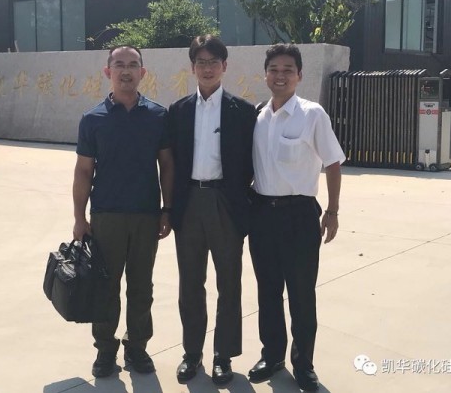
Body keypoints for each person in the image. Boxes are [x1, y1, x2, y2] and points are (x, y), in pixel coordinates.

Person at [247, 43, 345, 391]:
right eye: (274, 69)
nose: (280, 76)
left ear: (299, 75)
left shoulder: (312, 114)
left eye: (288, 70)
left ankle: (303, 364)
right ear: (265, 74)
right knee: (268, 291)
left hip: (299, 216)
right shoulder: (258, 115)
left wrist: (332, 211)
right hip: (262, 215)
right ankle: (272, 355)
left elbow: (333, 162)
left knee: (302, 294)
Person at [72, 45, 174, 378]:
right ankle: (105, 350)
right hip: (107, 216)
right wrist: (79, 218)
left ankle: (137, 347)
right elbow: (83, 171)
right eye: (119, 65)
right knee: (106, 286)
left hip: (146, 215)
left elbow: (167, 165)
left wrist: (167, 209)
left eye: (133, 65)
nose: (126, 71)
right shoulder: (93, 119)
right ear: (108, 72)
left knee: (142, 286)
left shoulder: (158, 116)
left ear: (143, 73)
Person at [168, 35, 256, 386]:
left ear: (224, 66)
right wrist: (168, 207)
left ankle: (223, 355)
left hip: (225, 203)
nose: (207, 68)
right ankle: (192, 353)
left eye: (213, 62)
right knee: (190, 283)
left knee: (229, 282)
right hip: (189, 201)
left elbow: (252, 162)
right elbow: (170, 163)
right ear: (192, 67)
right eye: (201, 62)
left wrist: (240, 200)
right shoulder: (178, 111)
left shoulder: (243, 111)